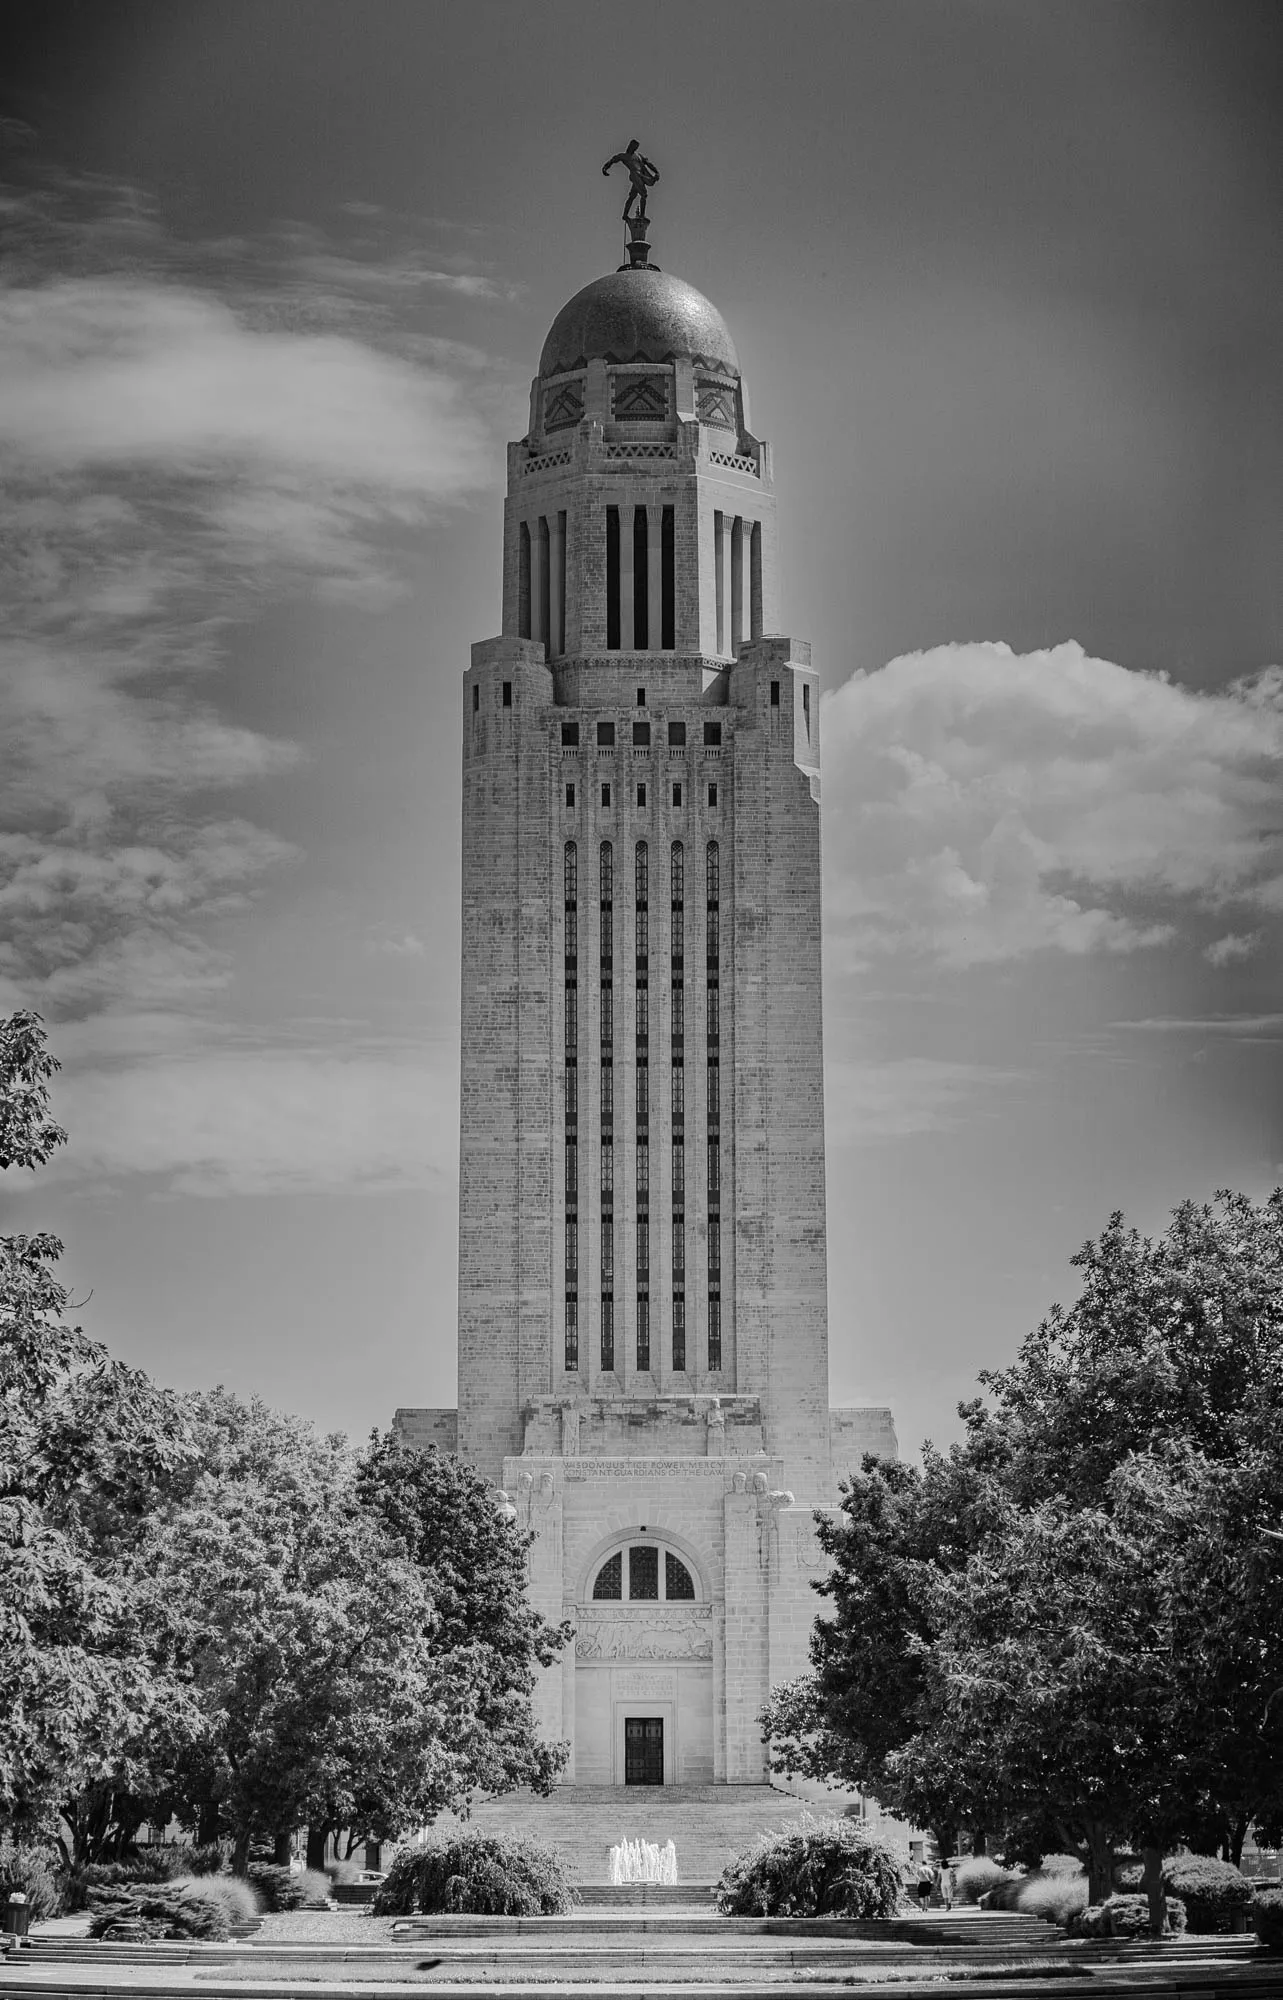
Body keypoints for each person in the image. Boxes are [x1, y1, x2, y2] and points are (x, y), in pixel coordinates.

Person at [602, 139, 660, 223]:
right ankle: (642, 215)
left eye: (635, 147)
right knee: (644, 194)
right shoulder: (624, 156)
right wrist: (605, 167)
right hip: (635, 175)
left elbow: (648, 163)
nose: (633, 148)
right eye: (632, 146)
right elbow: (613, 160)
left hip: (641, 175)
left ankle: (625, 215)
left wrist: (656, 171)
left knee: (632, 196)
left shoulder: (638, 156)